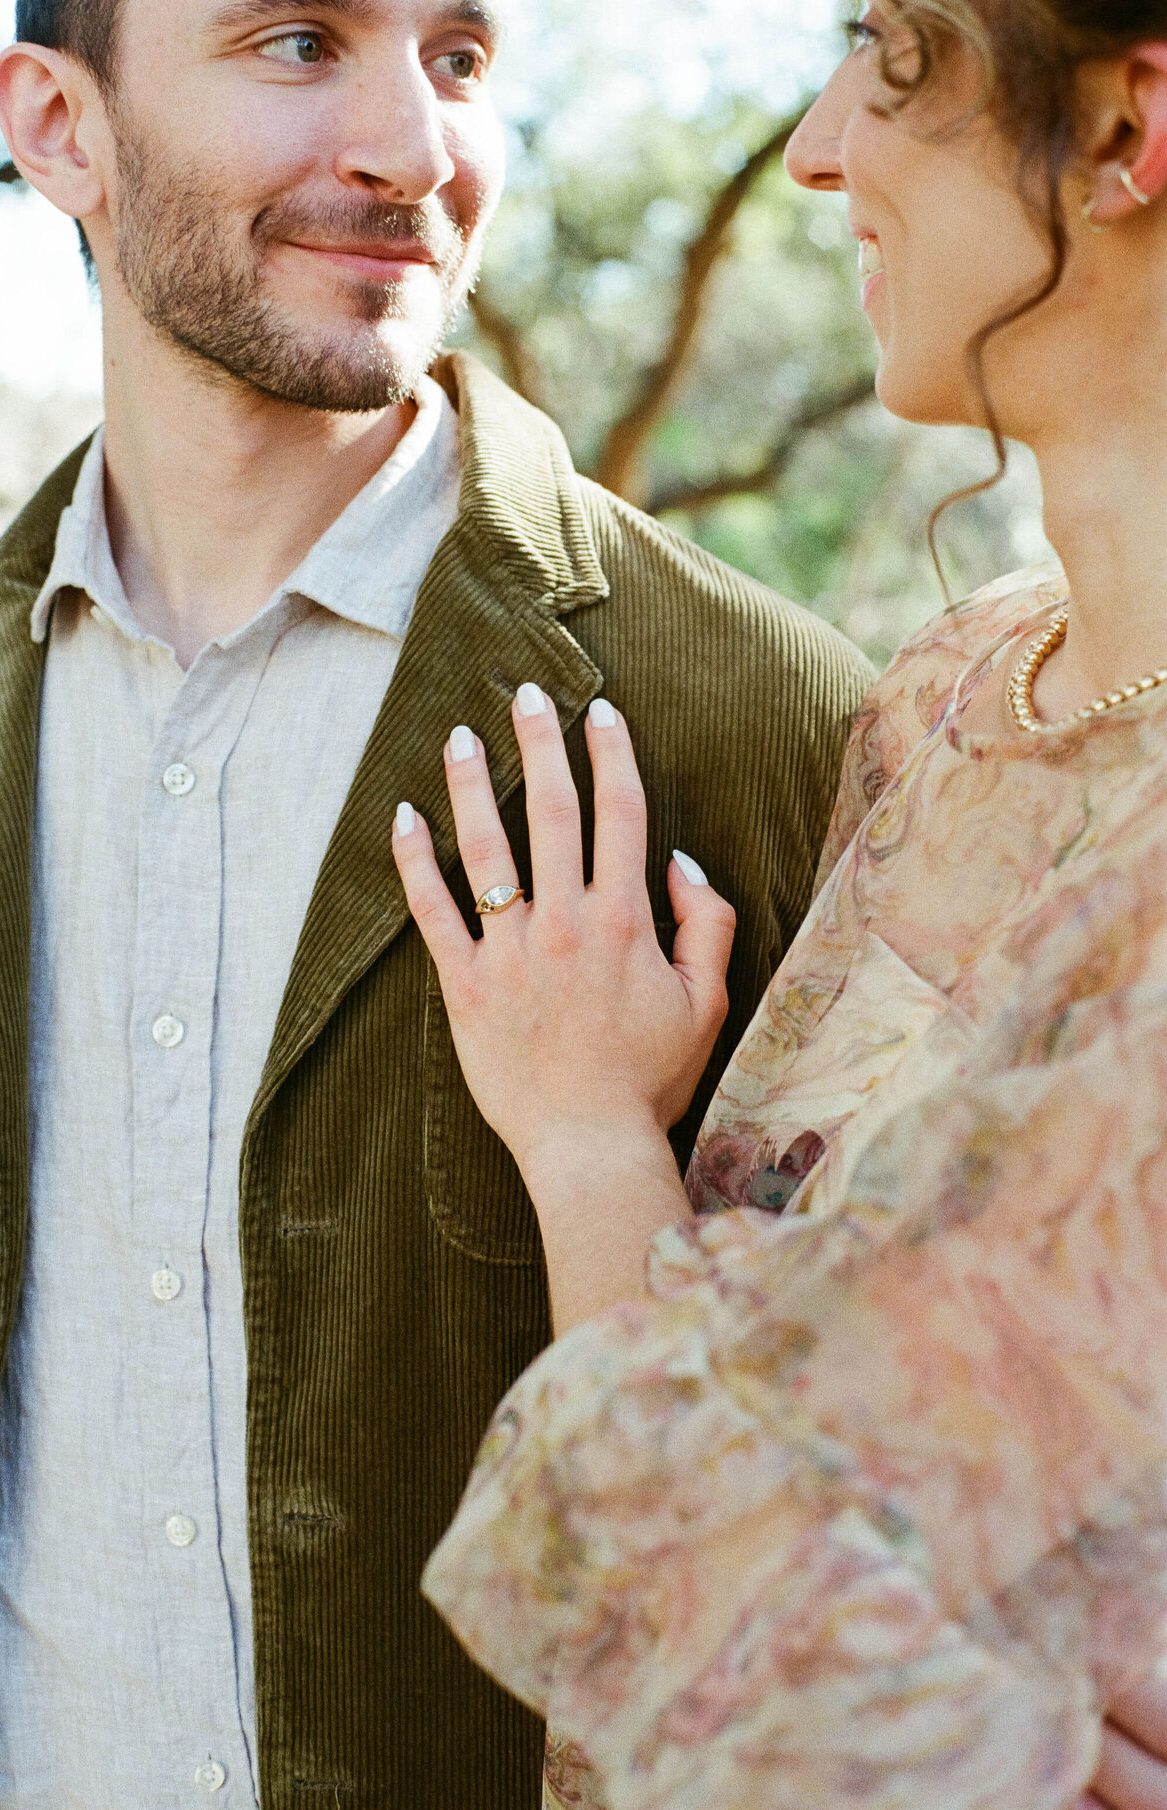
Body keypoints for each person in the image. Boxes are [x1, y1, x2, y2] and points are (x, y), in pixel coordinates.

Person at [0, 1, 870, 1805]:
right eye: (299, 41)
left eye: (457, 55)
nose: (412, 146)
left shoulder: (779, 728)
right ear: (58, 127)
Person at [397, 2, 1167, 1807]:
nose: (820, 144)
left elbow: (744, 1665)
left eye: (886, 44)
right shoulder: (953, 693)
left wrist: (588, 1139)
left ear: (1133, 128)